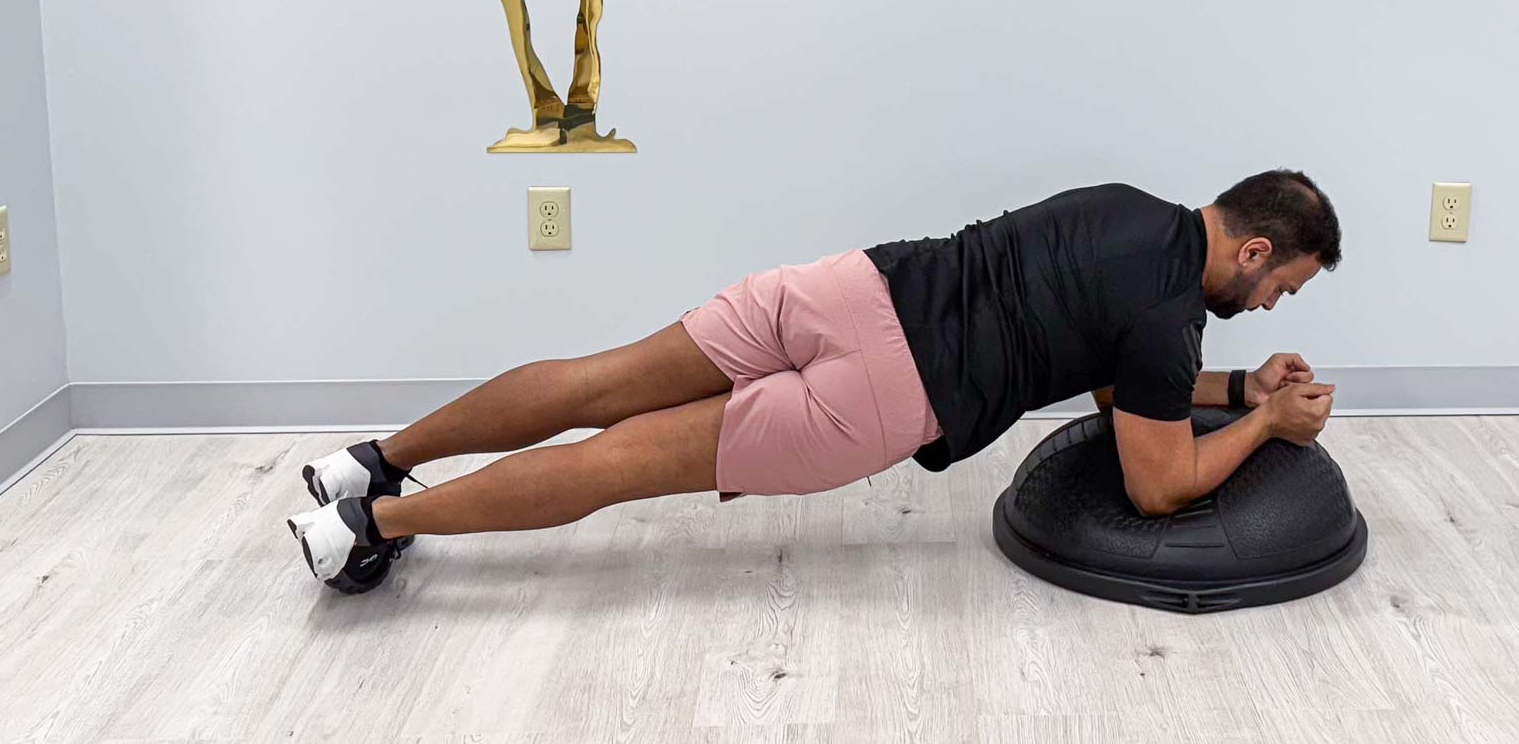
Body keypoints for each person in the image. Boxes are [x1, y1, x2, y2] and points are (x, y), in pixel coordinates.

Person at [287, 171, 1343, 590]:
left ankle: (372, 459)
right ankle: (365, 526)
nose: (1267, 310)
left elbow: (1119, 383)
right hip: (881, 399)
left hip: (849, 289)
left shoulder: (1122, 202)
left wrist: (1240, 386)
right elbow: (1155, 484)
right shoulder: (1168, 322)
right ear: (1252, 251)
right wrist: (1269, 428)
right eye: (1278, 290)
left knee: (599, 382)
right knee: (616, 466)